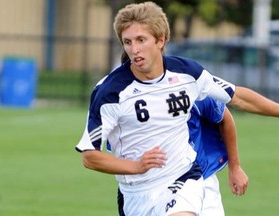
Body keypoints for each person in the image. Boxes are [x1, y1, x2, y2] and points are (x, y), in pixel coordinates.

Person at [76, 2, 279, 215]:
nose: (134, 49)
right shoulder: (110, 93)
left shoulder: (187, 74)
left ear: (161, 40)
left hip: (182, 177)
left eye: (141, 40)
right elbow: (90, 157)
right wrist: (137, 166)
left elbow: (238, 98)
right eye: (127, 42)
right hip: (136, 194)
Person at [116, 97, 248, 216]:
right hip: (149, 186)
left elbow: (225, 117)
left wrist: (235, 166)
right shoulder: (126, 99)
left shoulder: (191, 83)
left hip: (200, 177)